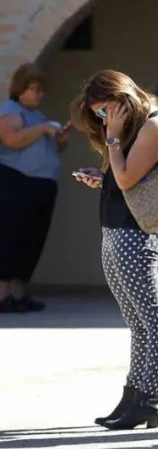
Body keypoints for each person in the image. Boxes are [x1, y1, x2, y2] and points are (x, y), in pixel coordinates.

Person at [70, 70, 158, 430]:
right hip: (117, 227)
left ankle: (149, 399)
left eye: (105, 111)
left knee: (153, 320)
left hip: (139, 232)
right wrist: (101, 178)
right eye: (98, 116)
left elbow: (130, 178)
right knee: (137, 322)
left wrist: (113, 139)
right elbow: (126, 180)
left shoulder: (153, 124)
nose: (103, 121)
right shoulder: (128, 129)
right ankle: (132, 395)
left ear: (122, 98)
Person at [0, 63, 67, 313]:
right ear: (20, 89)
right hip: (17, 183)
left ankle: (18, 294)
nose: (38, 94)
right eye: (32, 89)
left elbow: (50, 150)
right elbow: (12, 139)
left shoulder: (39, 117)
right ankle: (2, 295)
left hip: (42, 186)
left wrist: (59, 138)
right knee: (10, 238)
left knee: (31, 241)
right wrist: (44, 128)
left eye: (41, 90)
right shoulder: (11, 111)